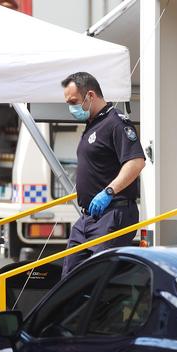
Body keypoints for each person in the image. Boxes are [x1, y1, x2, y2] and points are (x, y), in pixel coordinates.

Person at [60, 72, 146, 276]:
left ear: (90, 95)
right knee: (69, 278)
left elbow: (136, 162)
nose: (70, 108)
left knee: (96, 279)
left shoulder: (116, 122)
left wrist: (109, 191)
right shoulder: (93, 123)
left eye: (74, 101)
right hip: (89, 217)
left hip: (112, 213)